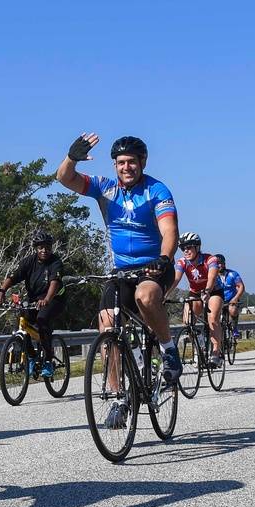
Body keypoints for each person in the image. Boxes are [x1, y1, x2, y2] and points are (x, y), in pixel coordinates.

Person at [56, 134, 182, 402]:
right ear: (114, 165)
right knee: (107, 325)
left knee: (145, 296)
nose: (126, 167)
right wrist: (71, 158)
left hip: (155, 267)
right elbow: (65, 178)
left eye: (132, 162)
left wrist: (163, 257)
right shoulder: (105, 188)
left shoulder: (157, 190)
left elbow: (170, 231)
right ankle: (118, 398)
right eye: (121, 162)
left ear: (143, 162)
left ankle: (169, 349)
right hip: (122, 272)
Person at [0, 231, 67, 378]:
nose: (44, 250)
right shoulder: (29, 262)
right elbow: (13, 277)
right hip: (34, 299)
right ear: (35, 249)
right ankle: (32, 357)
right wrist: (1, 291)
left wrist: (46, 299)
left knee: (42, 320)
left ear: (51, 248)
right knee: (21, 326)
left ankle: (47, 360)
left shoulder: (55, 262)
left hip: (54, 299)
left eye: (47, 247)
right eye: (40, 248)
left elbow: (54, 283)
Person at [167, 232, 224, 368]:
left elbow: (211, 278)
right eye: (183, 248)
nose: (185, 250)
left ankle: (215, 352)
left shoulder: (210, 259)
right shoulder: (183, 262)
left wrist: (208, 290)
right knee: (188, 321)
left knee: (212, 317)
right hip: (195, 293)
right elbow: (175, 280)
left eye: (189, 247)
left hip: (214, 291)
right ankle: (200, 344)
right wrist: (165, 294)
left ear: (197, 247)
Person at [215, 254, 245, 339]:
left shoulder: (232, 274)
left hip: (231, 299)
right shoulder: (212, 275)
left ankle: (234, 328)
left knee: (232, 310)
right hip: (218, 299)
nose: (219, 265)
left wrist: (236, 297)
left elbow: (241, 286)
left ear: (224, 264)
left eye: (221, 263)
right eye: (217, 263)